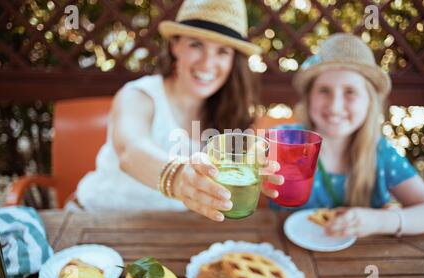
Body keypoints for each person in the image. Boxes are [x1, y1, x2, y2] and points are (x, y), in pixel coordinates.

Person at [74, 0, 282, 221]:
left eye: (222, 51)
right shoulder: (138, 95)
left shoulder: (228, 114)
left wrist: (252, 176)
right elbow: (130, 151)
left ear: (233, 61)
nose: (207, 63)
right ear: (175, 45)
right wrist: (178, 178)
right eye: (196, 44)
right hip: (96, 220)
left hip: (169, 233)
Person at [273, 33, 424, 237]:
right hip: (287, 258)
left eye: (350, 91)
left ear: (369, 101)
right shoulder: (283, 140)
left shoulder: (381, 153)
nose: (335, 106)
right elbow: (247, 154)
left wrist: (379, 221)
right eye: (324, 91)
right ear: (309, 97)